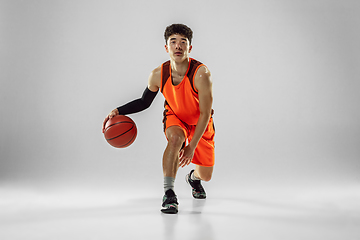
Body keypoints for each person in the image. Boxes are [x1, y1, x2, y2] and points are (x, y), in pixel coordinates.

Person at [102, 23, 215, 214]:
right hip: (175, 116)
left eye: (183, 42)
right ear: (166, 47)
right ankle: (169, 194)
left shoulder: (202, 74)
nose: (178, 46)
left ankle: (193, 179)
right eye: (173, 42)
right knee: (175, 140)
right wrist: (118, 111)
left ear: (190, 47)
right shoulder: (157, 74)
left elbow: (205, 114)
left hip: (200, 123)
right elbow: (144, 102)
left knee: (206, 175)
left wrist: (192, 146)